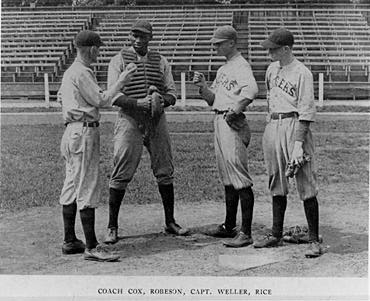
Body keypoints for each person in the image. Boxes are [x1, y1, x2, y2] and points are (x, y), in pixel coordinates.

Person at [104, 20, 189, 244]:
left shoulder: (160, 60)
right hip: (129, 119)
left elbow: (172, 94)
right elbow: (113, 96)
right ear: (130, 36)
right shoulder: (118, 60)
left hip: (156, 119)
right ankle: (112, 225)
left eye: (143, 36)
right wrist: (138, 103)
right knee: (121, 171)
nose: (138, 40)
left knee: (164, 169)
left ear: (150, 37)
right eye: (135, 35)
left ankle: (170, 221)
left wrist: (161, 99)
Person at [58, 30, 136, 261]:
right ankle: (92, 246)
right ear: (91, 49)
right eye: (98, 49)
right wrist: (121, 80)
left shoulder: (70, 72)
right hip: (84, 131)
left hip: (71, 132)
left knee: (71, 186)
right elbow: (102, 100)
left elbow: (61, 99)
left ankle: (70, 240)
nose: (98, 52)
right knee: (87, 186)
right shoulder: (81, 72)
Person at [253, 27, 322, 258]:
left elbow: (306, 111)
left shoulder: (302, 72)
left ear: (286, 48)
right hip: (274, 125)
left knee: (305, 182)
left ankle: (313, 239)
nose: (269, 51)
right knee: (276, 180)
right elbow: (270, 100)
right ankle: (276, 234)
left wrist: (298, 143)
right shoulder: (272, 69)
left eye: (273, 48)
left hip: (295, 125)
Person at [193, 25, 258, 248]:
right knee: (228, 177)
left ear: (231, 42)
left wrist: (236, 110)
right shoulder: (223, 69)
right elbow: (213, 100)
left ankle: (246, 232)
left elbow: (252, 91)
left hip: (231, 123)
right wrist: (202, 88)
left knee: (239, 177)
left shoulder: (241, 65)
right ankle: (229, 226)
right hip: (219, 120)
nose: (216, 46)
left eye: (219, 43)